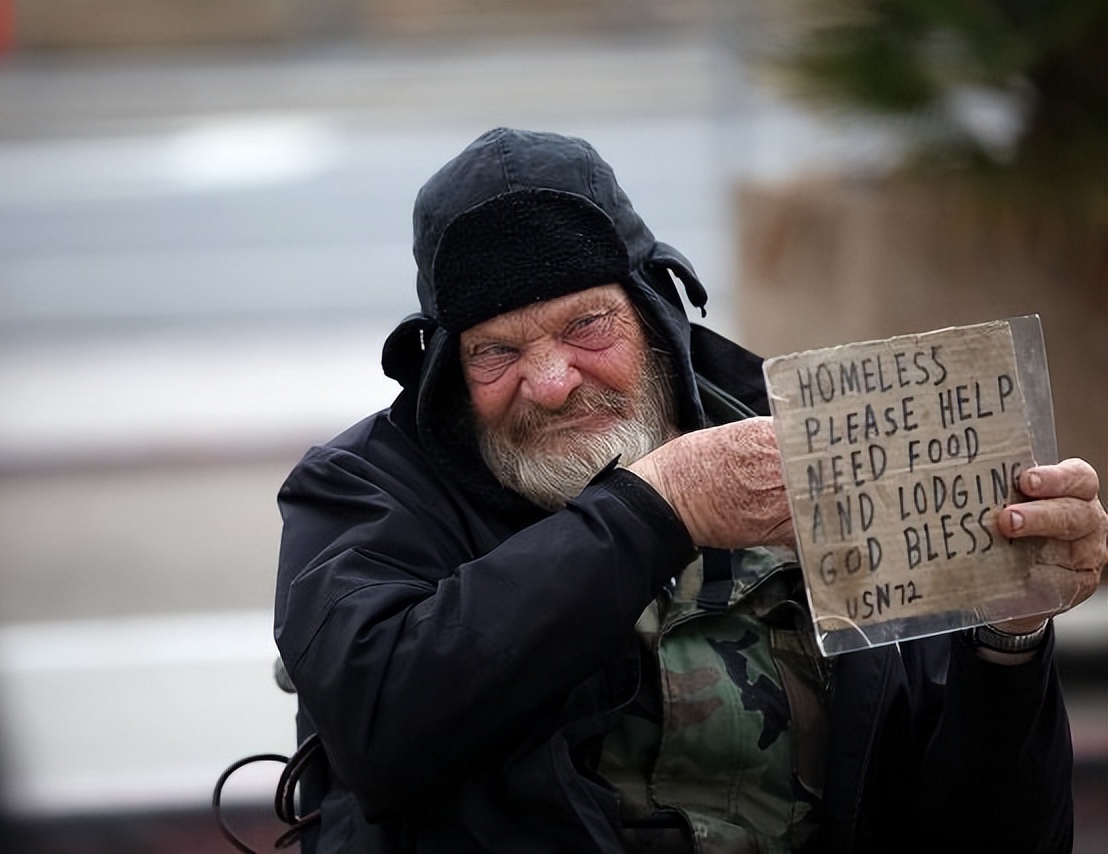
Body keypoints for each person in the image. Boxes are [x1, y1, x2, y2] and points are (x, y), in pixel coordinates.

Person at [271, 127, 1106, 853]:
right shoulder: (365, 492)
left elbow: (999, 837)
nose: (552, 381)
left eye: (585, 326)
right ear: (448, 373)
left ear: (657, 313)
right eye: (497, 352)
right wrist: (659, 505)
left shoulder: (825, 455)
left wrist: (1006, 635)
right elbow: (380, 728)